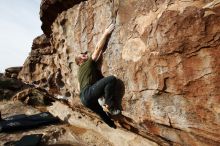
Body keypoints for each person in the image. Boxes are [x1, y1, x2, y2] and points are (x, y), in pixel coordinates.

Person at [75, 23, 120, 128]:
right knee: (111, 79)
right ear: (80, 61)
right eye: (83, 55)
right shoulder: (86, 63)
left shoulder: (79, 71)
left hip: (83, 99)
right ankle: (110, 105)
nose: (86, 55)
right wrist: (106, 33)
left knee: (100, 112)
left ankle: (112, 125)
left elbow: (78, 86)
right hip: (88, 93)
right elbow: (97, 49)